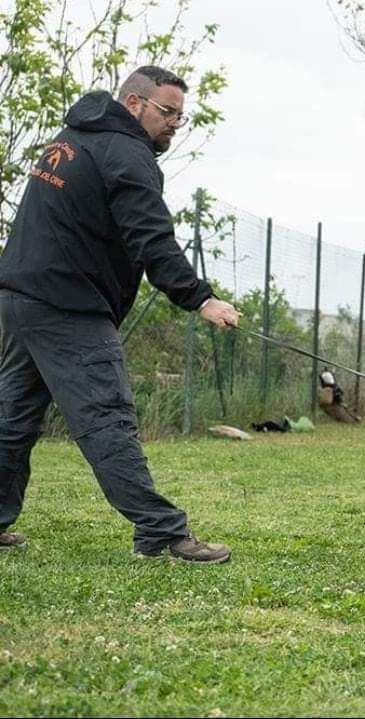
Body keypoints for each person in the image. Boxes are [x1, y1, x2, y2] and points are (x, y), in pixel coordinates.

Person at [0, 66, 240, 561]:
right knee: (107, 419)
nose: (174, 123)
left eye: (180, 115)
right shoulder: (126, 152)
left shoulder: (72, 137)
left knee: (12, 419)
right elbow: (151, 237)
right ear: (134, 104)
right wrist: (199, 297)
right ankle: (159, 531)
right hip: (69, 306)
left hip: (20, 295)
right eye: (167, 112)